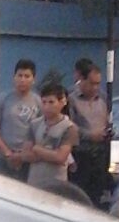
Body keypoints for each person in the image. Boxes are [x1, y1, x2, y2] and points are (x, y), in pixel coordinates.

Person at [0, 59, 42, 181]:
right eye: (19, 75)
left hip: (28, 160)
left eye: (27, 76)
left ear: (33, 79)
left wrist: (23, 156)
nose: (22, 79)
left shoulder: (38, 101)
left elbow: (41, 132)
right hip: (3, 159)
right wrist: (8, 153)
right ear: (14, 77)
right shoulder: (3, 99)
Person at [67, 63, 111, 208]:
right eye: (91, 83)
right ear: (82, 80)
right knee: (78, 197)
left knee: (97, 198)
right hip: (80, 155)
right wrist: (89, 135)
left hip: (100, 155)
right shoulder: (71, 99)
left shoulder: (103, 98)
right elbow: (69, 125)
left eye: (98, 84)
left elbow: (107, 120)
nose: (95, 88)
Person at [24, 83, 79, 188]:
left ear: (62, 102)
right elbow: (26, 155)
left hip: (57, 182)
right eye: (44, 102)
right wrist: (50, 154)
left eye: (51, 102)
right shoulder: (34, 124)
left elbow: (61, 157)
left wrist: (37, 149)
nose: (47, 106)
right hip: (34, 181)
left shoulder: (69, 127)